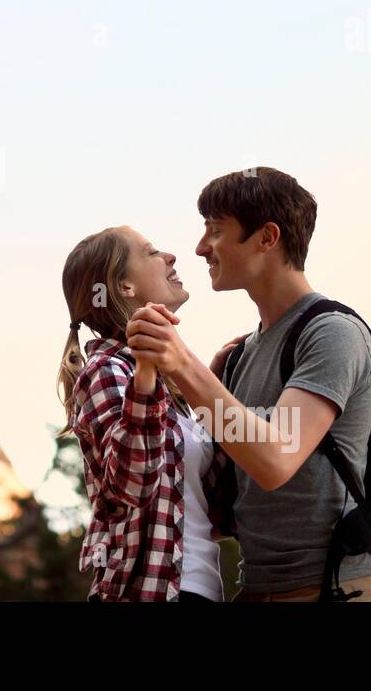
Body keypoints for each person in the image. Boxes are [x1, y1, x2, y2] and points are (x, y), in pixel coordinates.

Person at [127, 167, 371, 602]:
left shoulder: (332, 334)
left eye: (215, 230)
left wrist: (185, 366)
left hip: (327, 590)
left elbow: (274, 461)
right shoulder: (239, 356)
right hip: (255, 588)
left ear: (267, 237)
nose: (200, 247)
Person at [56, 225, 239, 602]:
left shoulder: (170, 385)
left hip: (199, 590)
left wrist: (209, 383)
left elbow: (212, 504)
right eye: (152, 252)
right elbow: (131, 486)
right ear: (124, 287)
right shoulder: (108, 371)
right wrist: (146, 376)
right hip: (150, 591)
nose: (170, 257)